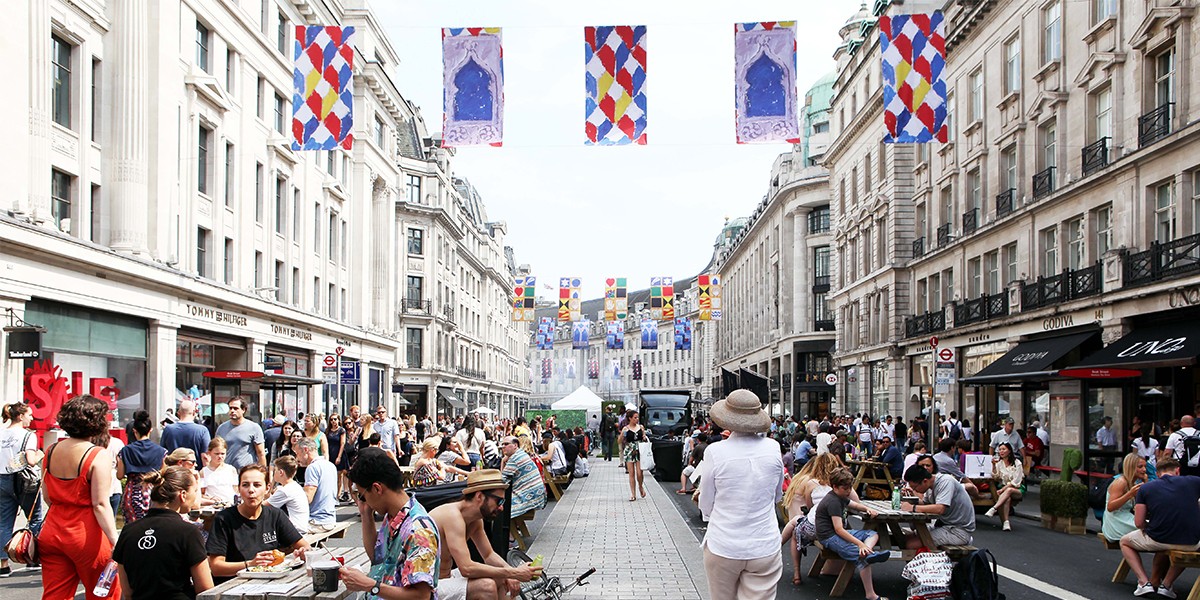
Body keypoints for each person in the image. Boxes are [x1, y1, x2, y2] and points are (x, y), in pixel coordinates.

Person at [700, 390, 784, 600]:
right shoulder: (773, 448)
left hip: (724, 542)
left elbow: (706, 501)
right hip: (763, 543)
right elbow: (776, 495)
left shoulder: (715, 451)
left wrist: (715, 515)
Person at [39, 395, 121, 600]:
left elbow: (47, 496)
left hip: (53, 529)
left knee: (55, 594)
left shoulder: (51, 451)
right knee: (103, 592)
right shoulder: (98, 455)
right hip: (86, 535)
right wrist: (115, 540)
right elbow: (100, 504)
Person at [339, 447, 439, 600]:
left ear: (377, 488)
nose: (362, 501)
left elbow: (421, 596)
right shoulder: (394, 515)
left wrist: (370, 585)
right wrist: (366, 513)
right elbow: (377, 557)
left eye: (363, 496)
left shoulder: (418, 531)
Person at [428, 470, 541, 599]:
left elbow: (488, 555)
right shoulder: (452, 516)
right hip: (426, 586)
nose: (501, 508)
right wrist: (513, 572)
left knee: (500, 578)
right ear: (479, 497)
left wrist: (509, 573)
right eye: (499, 502)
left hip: (445, 578)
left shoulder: (475, 520)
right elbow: (466, 568)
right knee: (486, 587)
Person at [112, 466, 213, 600]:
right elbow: (205, 589)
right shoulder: (188, 532)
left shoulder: (128, 531)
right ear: (183, 495)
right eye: (195, 491)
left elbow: (128, 591)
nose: (196, 496)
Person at [205, 464, 309, 583]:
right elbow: (216, 567)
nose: (251, 490)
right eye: (245, 485)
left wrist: (302, 553)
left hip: (271, 583)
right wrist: (251, 564)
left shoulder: (275, 515)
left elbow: (304, 546)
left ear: (267, 488)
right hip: (234, 585)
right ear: (238, 489)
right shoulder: (224, 519)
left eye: (257, 485)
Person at [1119, 458, 1200, 597]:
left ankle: (1144, 583)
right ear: (1178, 470)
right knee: (1185, 544)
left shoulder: (1146, 488)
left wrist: (1149, 526)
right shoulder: (1194, 481)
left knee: (1125, 541)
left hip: (1158, 538)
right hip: (1190, 541)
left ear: (1157, 474)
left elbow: (1139, 522)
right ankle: (1167, 585)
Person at [812, 468, 890, 600]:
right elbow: (839, 530)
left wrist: (867, 508)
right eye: (845, 488)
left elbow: (854, 505)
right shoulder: (833, 502)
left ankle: (869, 551)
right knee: (862, 559)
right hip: (829, 537)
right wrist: (859, 544)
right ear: (835, 487)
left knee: (872, 534)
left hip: (835, 533)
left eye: (850, 488)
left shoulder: (840, 496)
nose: (849, 491)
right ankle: (871, 594)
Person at [1, 403, 44, 577]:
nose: (32, 418)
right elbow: (31, 460)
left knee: (3, 521)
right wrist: (40, 454)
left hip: (2, 478)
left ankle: (3, 563)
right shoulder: (28, 435)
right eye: (30, 415)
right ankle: (31, 558)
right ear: (20, 416)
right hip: (25, 481)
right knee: (34, 517)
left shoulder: (1, 433)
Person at [901, 465, 976, 548]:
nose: (915, 490)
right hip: (943, 526)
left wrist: (913, 508)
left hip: (958, 531)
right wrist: (911, 496)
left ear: (925, 481)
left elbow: (940, 508)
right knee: (908, 537)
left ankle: (927, 560)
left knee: (911, 544)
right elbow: (925, 503)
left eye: (915, 487)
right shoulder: (930, 486)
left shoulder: (945, 482)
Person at [118, 410, 168, 524]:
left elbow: (119, 475)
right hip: (153, 493)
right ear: (150, 430)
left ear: (134, 431)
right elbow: (164, 474)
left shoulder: (126, 450)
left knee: (133, 529)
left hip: (132, 493)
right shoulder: (161, 451)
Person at [293, 437, 337, 533]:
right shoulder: (330, 465)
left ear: (305, 450)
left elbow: (308, 498)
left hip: (316, 521)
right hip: (330, 518)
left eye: (297, 454)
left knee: (282, 530)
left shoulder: (312, 468)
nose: (297, 458)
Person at [499, 436, 546, 524]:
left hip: (530, 496)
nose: (503, 447)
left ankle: (509, 535)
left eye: (506, 444)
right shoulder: (520, 454)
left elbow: (502, 481)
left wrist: (502, 462)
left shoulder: (515, 459)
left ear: (515, 445)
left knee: (498, 505)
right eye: (502, 444)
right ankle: (512, 531)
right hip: (537, 493)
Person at [1103, 453, 1147, 543]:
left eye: (1145, 466)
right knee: (1151, 531)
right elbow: (1110, 507)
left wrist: (1146, 484)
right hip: (1116, 521)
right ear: (1131, 467)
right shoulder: (1121, 482)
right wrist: (1129, 495)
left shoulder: (1133, 484)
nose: (1144, 470)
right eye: (1140, 467)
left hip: (1126, 517)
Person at [159, 400, 210, 470]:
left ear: (178, 413)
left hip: (174, 474)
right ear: (194, 412)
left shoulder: (168, 429)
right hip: (194, 474)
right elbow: (205, 457)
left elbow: (163, 455)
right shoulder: (202, 430)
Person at [215, 398, 265, 469]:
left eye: (235, 408)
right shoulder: (221, 428)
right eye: (230, 408)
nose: (232, 411)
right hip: (226, 471)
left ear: (243, 410)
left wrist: (263, 472)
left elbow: (261, 453)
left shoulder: (254, 428)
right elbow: (216, 450)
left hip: (246, 471)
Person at [984, 442, 1023, 531]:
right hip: (1004, 490)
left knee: (1009, 490)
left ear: (1009, 451)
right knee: (1007, 498)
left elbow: (1016, 482)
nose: (1001, 451)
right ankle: (1006, 522)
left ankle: (994, 508)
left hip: (1017, 489)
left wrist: (1002, 490)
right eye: (1000, 449)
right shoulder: (1000, 463)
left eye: (1004, 449)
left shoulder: (1017, 463)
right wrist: (993, 465)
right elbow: (996, 477)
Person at [265, 456, 309, 534]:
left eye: (275, 470)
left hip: (295, 531)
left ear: (281, 472)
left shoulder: (284, 491)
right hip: (302, 527)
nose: (274, 474)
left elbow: (263, 506)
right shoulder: (294, 486)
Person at [618, 411, 648, 501]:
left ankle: (640, 486)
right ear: (630, 418)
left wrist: (644, 437)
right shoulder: (626, 428)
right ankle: (633, 494)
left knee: (639, 473)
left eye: (637, 417)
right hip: (629, 450)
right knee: (631, 473)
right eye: (635, 417)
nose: (637, 419)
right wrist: (622, 435)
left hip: (639, 450)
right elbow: (619, 441)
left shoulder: (641, 427)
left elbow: (644, 437)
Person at [200, 438, 237, 506]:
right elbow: (200, 494)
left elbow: (236, 490)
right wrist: (211, 498)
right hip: (213, 506)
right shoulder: (204, 472)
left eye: (222, 454)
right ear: (209, 453)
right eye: (216, 454)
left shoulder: (231, 469)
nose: (220, 456)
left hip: (229, 505)